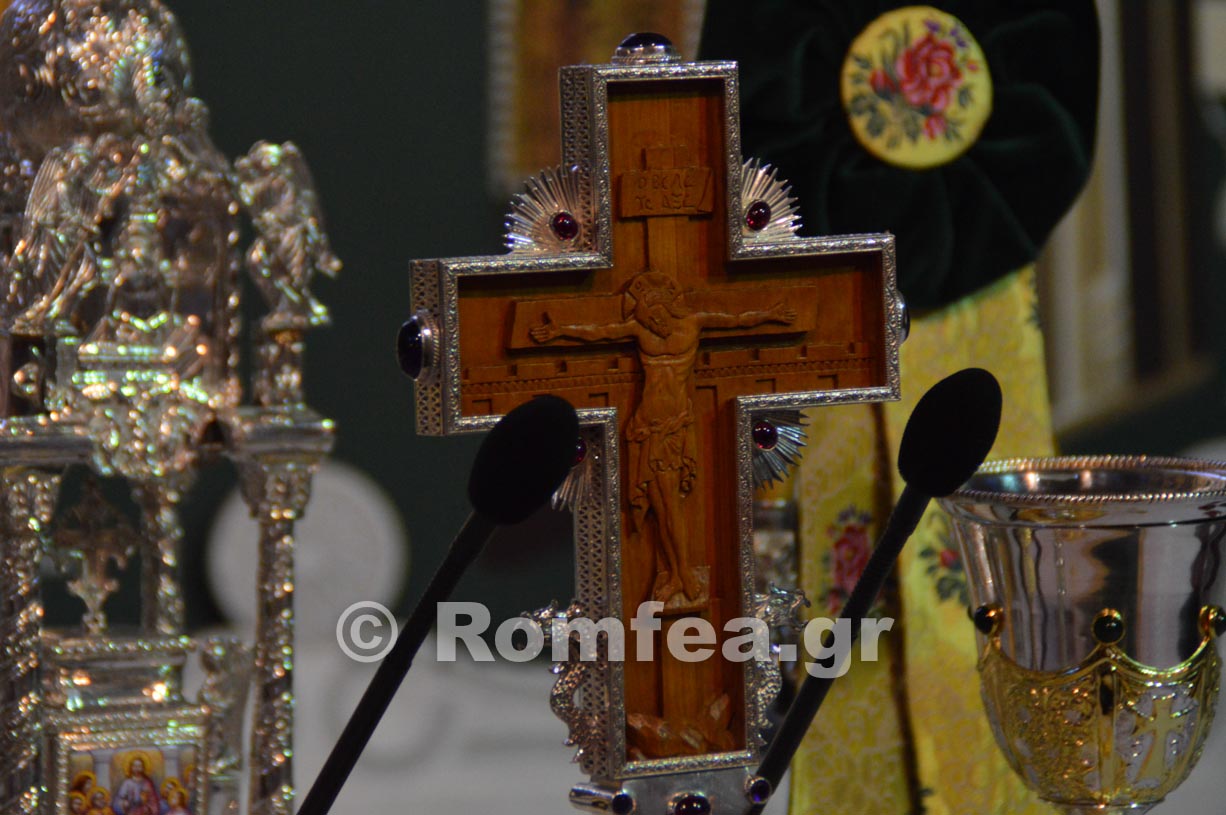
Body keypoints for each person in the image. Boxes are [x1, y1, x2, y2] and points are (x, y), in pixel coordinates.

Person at [531, 269, 795, 604]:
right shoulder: (640, 332)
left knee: (672, 506)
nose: (656, 324)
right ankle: (677, 574)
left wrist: (770, 315)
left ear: (668, 309)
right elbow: (598, 333)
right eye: (649, 319)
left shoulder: (693, 324)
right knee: (660, 506)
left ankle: (682, 573)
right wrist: (559, 331)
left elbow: (736, 320)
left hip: (674, 426)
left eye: (658, 316)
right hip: (647, 425)